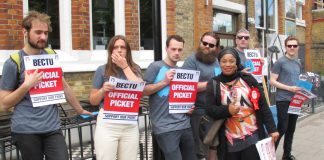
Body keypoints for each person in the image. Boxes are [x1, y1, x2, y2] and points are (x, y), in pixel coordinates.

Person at [0, 11, 91, 160]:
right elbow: (4, 104)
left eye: (45, 33)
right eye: (38, 32)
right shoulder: (14, 62)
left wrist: (79, 109)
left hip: (52, 127)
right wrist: (26, 85)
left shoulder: (50, 55)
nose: (43, 37)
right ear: (25, 32)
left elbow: (64, 86)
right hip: (26, 130)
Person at [205, 48, 279, 160]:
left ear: (236, 63)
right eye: (224, 61)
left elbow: (263, 105)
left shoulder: (248, 79)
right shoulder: (214, 83)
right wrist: (227, 110)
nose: (228, 64)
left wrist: (272, 129)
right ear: (219, 63)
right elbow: (209, 109)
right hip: (229, 140)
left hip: (253, 135)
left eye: (231, 61)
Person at [89, 35, 143, 160]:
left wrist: (125, 67)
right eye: (116, 47)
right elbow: (93, 100)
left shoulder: (135, 69)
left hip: (129, 124)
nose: (119, 50)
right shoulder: (102, 70)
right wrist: (103, 90)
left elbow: (140, 90)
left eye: (123, 47)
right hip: (108, 124)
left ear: (127, 51)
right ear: (111, 51)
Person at [143, 35, 196, 160]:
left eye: (180, 49)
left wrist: (187, 107)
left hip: (184, 124)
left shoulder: (181, 71)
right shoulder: (155, 67)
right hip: (164, 127)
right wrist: (164, 82)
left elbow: (181, 97)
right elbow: (142, 92)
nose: (177, 53)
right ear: (166, 48)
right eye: (173, 49)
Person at [182, 31, 220, 160]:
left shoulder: (216, 61)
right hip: (198, 112)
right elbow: (186, 87)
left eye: (211, 45)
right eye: (205, 43)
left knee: (213, 145)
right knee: (200, 150)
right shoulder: (191, 61)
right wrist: (211, 83)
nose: (207, 46)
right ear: (200, 43)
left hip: (214, 110)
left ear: (216, 47)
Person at [269, 36, 301, 160]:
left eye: (294, 45)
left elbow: (298, 80)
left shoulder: (298, 62)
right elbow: (272, 81)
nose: (292, 48)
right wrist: (289, 88)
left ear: (297, 47)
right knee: (282, 128)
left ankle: (286, 155)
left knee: (291, 129)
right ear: (285, 47)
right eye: (289, 46)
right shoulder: (280, 62)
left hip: (296, 101)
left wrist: (303, 91)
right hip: (283, 99)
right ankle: (270, 155)